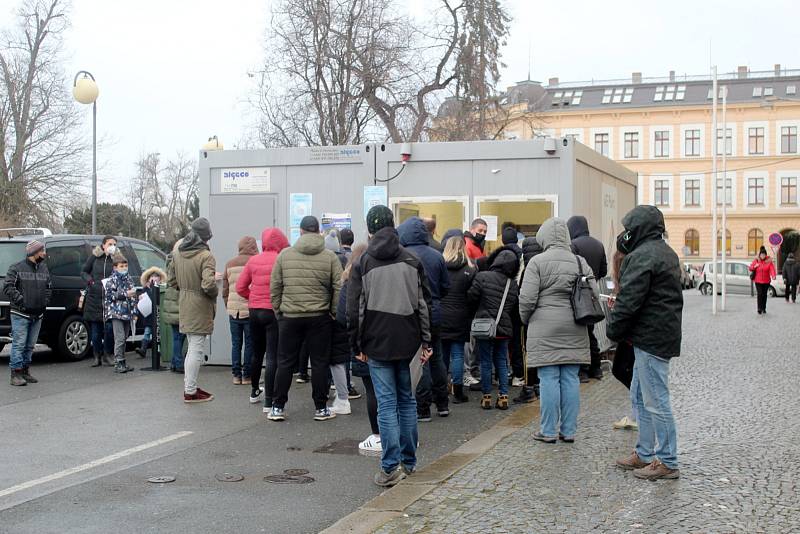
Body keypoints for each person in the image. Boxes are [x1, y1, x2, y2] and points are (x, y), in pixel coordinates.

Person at [347, 205, 432, 487]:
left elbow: (354, 309)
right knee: (407, 400)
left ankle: (389, 466)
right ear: (392, 225)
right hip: (408, 339)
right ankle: (408, 462)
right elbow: (423, 304)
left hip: (376, 340)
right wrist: (427, 340)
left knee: (386, 404)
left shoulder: (363, 263)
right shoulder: (412, 259)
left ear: (369, 230)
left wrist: (356, 343)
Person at [608, 205, 683, 481]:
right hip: (652, 335)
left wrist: (614, 328)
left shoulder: (644, 256)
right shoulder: (662, 252)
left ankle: (667, 460)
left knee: (655, 401)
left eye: (629, 229)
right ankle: (644, 453)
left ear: (639, 229)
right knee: (641, 396)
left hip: (652, 337)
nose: (625, 234)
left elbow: (630, 300)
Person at [519, 217, 597, 444]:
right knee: (570, 378)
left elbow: (526, 299)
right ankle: (569, 431)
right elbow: (592, 292)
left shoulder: (537, 262)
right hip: (574, 325)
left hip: (544, 326)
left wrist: (527, 320)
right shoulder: (580, 262)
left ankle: (548, 430)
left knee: (549, 378)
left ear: (543, 237)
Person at [269, 215, 343, 422]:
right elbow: (339, 287)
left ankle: (277, 407)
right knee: (319, 362)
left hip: (290, 316)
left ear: (300, 232)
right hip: (319, 317)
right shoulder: (329, 257)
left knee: (285, 362)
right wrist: (333, 311)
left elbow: (275, 286)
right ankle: (321, 408)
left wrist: (279, 310)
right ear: (318, 231)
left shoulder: (284, 255)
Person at [398, 216, 450, 421]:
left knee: (420, 361)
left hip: (413, 313)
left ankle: (423, 408)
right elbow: (446, 286)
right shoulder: (436, 255)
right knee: (436, 357)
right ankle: (443, 403)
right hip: (435, 310)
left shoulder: (403, 255)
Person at [236, 228, 289, 409]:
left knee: (257, 353)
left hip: (254, 311)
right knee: (272, 356)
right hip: (273, 312)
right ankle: (269, 401)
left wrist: (252, 297)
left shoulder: (253, 260)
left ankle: (253, 391)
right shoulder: (281, 259)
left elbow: (240, 287)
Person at [168, 217, 219, 403]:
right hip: (200, 304)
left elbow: (172, 281)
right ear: (206, 236)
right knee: (196, 348)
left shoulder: (178, 252)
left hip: (185, 301)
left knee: (191, 346)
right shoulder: (206, 256)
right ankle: (190, 390)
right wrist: (214, 292)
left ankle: (191, 386)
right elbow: (208, 284)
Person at [468, 249, 519, 410]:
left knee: (485, 361)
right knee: (502, 362)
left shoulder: (482, 276)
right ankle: (503, 396)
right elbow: (513, 307)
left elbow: (471, 297)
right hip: (503, 328)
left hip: (485, 326)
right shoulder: (512, 283)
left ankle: (487, 397)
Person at [567, 215, 608, 382]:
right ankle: (596, 368)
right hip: (593, 293)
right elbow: (604, 271)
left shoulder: (573, 245)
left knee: (580, 333)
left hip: (578, 295)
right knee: (591, 331)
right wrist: (594, 277)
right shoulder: (598, 244)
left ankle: (582, 370)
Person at [3, 240, 50, 386]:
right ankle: (15, 373)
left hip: (38, 314)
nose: (44, 253)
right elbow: (8, 287)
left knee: (30, 345)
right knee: (19, 344)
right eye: (41, 250)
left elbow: (49, 288)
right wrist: (22, 302)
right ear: (33, 252)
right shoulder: (16, 268)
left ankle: (25, 370)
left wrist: (45, 302)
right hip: (20, 314)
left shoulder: (44, 268)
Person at [331, 244, 369, 418]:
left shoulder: (348, 278)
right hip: (371, 330)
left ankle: (343, 395)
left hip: (347, 327)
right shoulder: (372, 276)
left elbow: (343, 310)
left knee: (339, 360)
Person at [440, 237, 476, 403]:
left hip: (442, 315)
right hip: (461, 315)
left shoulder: (440, 266)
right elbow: (473, 295)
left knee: (443, 355)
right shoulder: (470, 269)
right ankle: (458, 391)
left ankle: (441, 389)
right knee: (458, 354)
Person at [608, 246, 638, 431]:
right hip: (632, 336)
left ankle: (638, 412)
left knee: (621, 369)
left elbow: (629, 310)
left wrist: (617, 309)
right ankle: (637, 412)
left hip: (632, 336)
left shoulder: (628, 281)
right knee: (624, 370)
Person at [223, 236, 258, 385]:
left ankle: (236, 375)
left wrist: (228, 304)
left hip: (233, 310)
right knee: (250, 343)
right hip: (249, 310)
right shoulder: (256, 262)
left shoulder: (229, 264)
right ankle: (247, 376)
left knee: (236, 343)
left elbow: (225, 289)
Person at [513, 235, 544, 404]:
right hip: (544, 317)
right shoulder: (544, 265)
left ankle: (529, 387)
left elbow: (525, 296)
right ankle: (538, 385)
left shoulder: (527, 270)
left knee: (528, 353)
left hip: (529, 318)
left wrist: (522, 317)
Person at [82, 235, 118, 367]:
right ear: (103, 245)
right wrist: (91, 282)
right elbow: (84, 272)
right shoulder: (95, 257)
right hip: (95, 298)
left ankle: (108, 354)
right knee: (96, 332)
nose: (112, 246)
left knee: (109, 329)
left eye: (114, 244)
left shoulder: (116, 259)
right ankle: (96, 355)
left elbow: (123, 273)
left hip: (110, 299)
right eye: (110, 244)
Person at [501, 224, 525, 388]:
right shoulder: (522, 255)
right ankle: (519, 373)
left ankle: (506, 371)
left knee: (504, 340)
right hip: (518, 302)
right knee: (518, 339)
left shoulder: (501, 255)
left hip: (504, 303)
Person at [104, 254, 137, 374]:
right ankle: (118, 362)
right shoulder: (111, 280)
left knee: (125, 337)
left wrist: (134, 312)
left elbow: (133, 296)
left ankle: (123, 361)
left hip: (127, 313)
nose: (124, 268)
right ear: (115, 267)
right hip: (116, 313)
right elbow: (110, 296)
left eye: (125, 266)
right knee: (120, 337)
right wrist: (125, 294)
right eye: (121, 266)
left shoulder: (129, 279)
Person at [135, 266, 167, 359]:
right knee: (147, 332)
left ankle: (159, 350)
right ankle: (143, 349)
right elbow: (141, 299)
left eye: (156, 276)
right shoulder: (145, 289)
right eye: (152, 276)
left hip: (158, 315)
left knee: (158, 334)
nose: (154, 278)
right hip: (149, 316)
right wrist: (140, 297)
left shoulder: (161, 288)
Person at [162, 251, 185, 373]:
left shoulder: (169, 262)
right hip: (178, 305)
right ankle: (178, 363)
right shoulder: (177, 264)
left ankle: (174, 362)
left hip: (171, 306)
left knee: (177, 336)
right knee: (180, 336)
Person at [749, 245, 777, 315]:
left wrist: (773, 276)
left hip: (766, 281)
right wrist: (754, 266)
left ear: (766, 255)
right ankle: (759, 308)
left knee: (764, 295)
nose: (762, 256)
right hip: (758, 281)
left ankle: (763, 308)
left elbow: (772, 269)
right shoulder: (756, 260)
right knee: (760, 294)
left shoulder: (769, 262)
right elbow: (750, 268)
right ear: (759, 255)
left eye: (764, 255)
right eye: (761, 255)